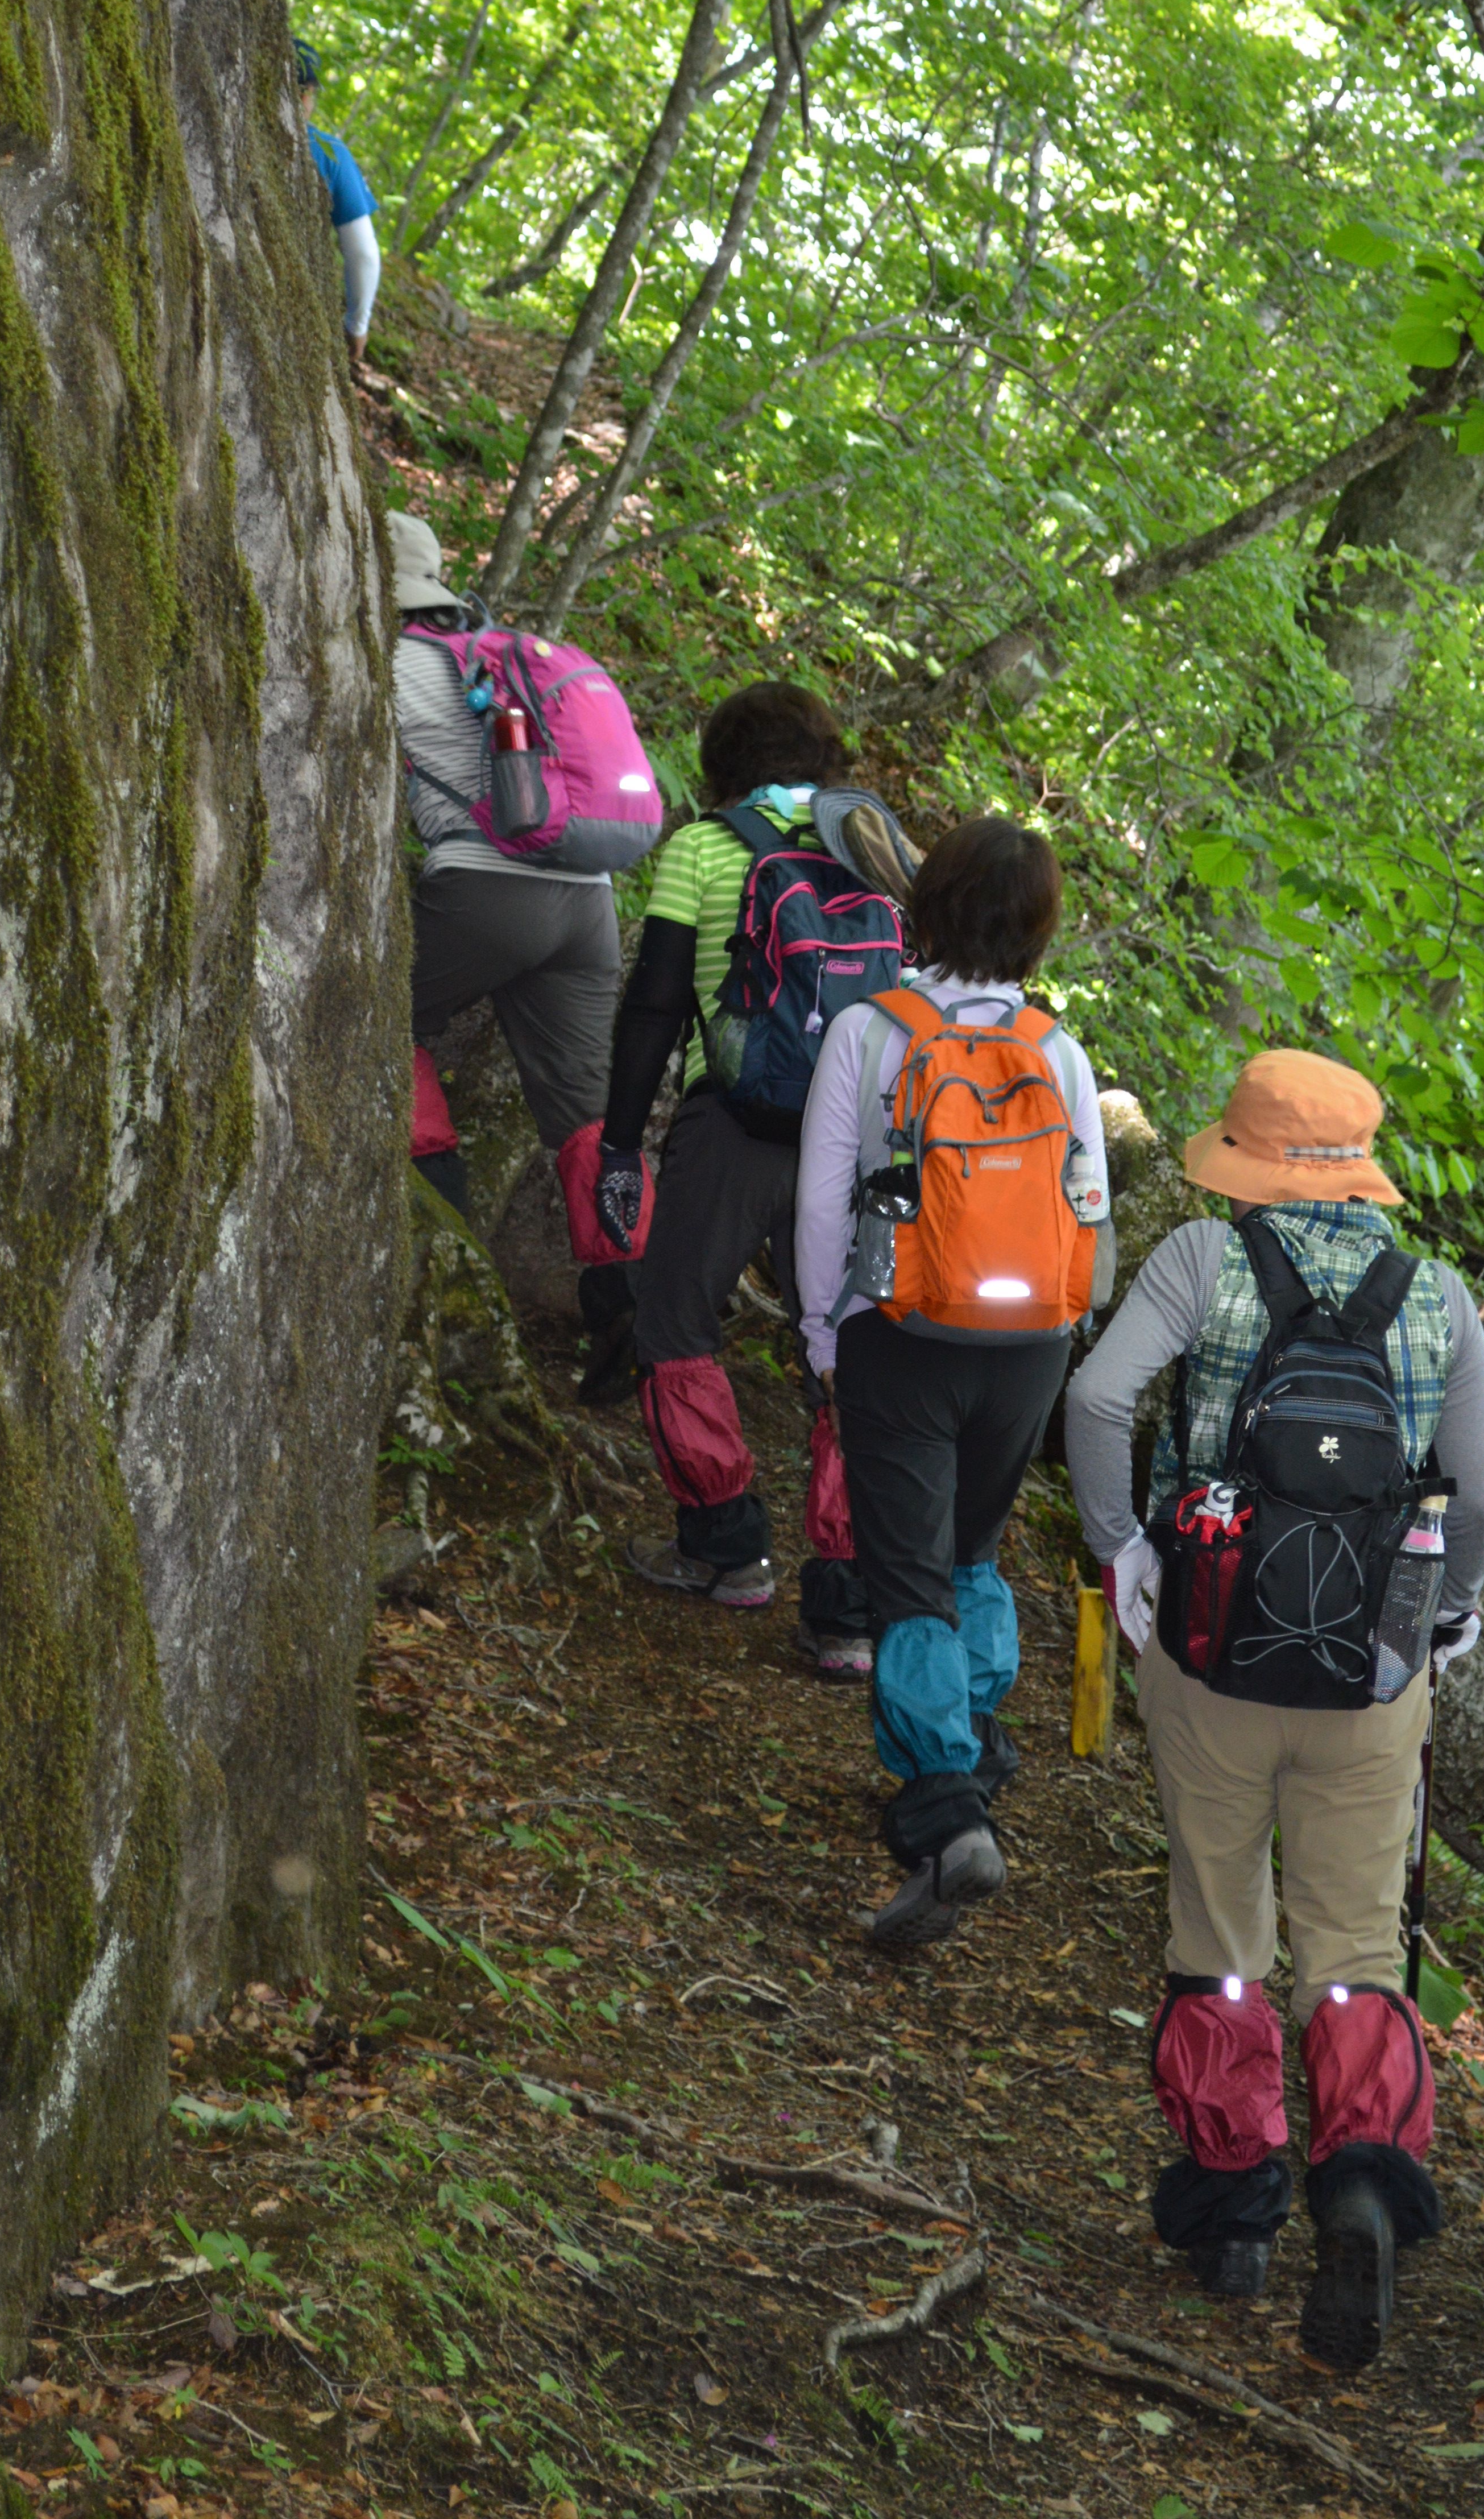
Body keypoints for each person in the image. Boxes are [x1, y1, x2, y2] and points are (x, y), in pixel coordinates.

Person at [1063, 1049, 1484, 2368]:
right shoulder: (1437, 1299)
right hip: (1369, 1671)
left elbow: (1096, 1397)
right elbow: (1478, 1497)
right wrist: (1444, 1612)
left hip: (1207, 1650)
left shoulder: (1203, 1258)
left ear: (1247, 1156)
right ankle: (1362, 2178)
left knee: (1219, 1923)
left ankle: (1235, 2202)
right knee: (1355, 1941)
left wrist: (1119, 1547)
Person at [794, 817, 1111, 1951]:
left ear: (922, 903)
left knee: (907, 1576)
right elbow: (1091, 1215)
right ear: (1035, 927)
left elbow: (824, 1201)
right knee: (971, 1550)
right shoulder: (1060, 1051)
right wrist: (1055, 1332)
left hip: (904, 1327)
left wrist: (822, 1332)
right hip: (1028, 1340)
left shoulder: (872, 1031)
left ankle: (943, 1812)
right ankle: (973, 1737)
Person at [592, 684, 911, 1657]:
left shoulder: (702, 846)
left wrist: (618, 1141)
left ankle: (727, 1549)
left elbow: (654, 1005)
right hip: (856, 1134)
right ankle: (849, 1607)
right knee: (846, 1345)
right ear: (825, 754)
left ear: (722, 760)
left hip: (733, 1124)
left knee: (675, 1320)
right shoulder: (872, 842)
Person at [392, 512, 623, 1255]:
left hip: (487, 894)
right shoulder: (493, 657)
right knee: (587, 1118)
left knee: (378, 1020)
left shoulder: (386, 664)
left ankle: (443, 1238)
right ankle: (652, 1333)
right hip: (590, 899)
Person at [294, 36, 380, 379]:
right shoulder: (329, 154)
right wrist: (356, 325)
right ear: (306, 94)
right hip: (296, 307)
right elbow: (363, 254)